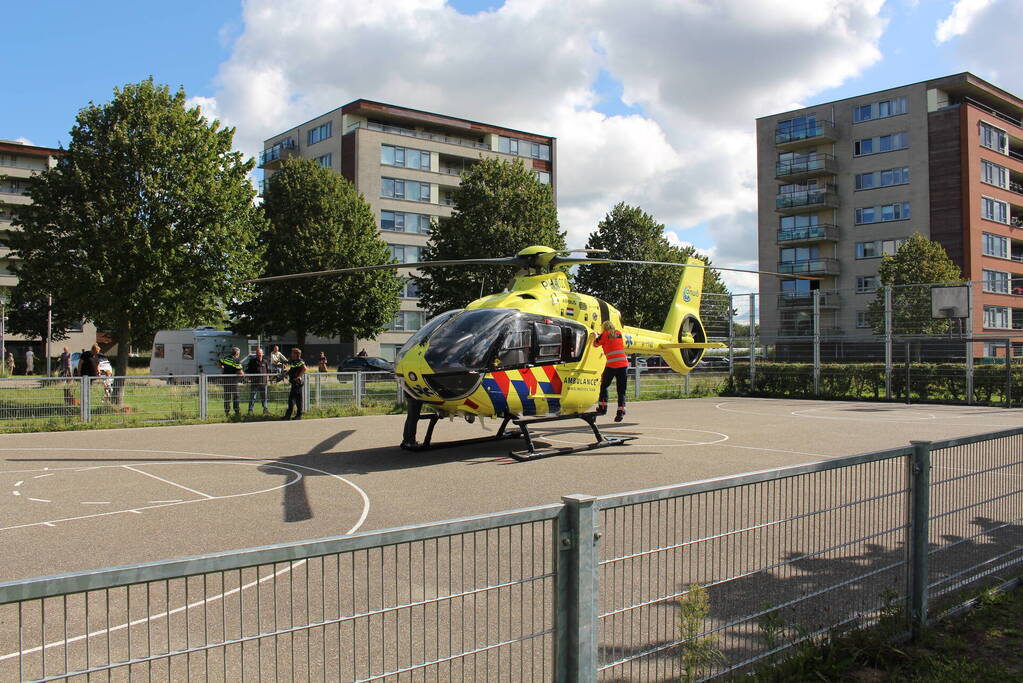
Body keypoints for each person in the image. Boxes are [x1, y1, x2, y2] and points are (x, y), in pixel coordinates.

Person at [593, 319, 629, 422]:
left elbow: (596, 344)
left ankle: (602, 408)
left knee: (604, 386)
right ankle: (620, 412)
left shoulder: (604, 334)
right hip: (623, 365)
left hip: (612, 365)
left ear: (604, 327)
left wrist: (596, 335)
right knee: (621, 391)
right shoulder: (618, 333)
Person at [218, 346, 244, 417]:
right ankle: (237, 412)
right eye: (239, 353)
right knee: (236, 396)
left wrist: (222, 367)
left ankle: (227, 412)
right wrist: (244, 376)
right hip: (233, 381)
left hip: (225, 380)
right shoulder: (236, 360)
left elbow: (219, 362)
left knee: (227, 396)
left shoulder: (226, 358)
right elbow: (240, 371)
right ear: (237, 353)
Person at [282, 347, 306, 420]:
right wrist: (286, 373)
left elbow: (304, 368)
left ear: (296, 354)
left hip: (297, 383)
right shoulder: (293, 361)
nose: (291, 354)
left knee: (294, 399)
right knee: (294, 399)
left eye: (292, 353)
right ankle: (293, 415)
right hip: (293, 382)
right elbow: (292, 369)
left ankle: (296, 415)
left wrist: (298, 376)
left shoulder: (300, 361)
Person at [245, 347, 270, 415]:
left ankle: (265, 410)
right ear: (256, 354)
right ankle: (250, 411)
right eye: (258, 353)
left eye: (260, 353)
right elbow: (248, 370)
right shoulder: (252, 361)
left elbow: (268, 371)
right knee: (253, 397)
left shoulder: (265, 361)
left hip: (264, 382)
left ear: (262, 354)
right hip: (255, 382)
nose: (259, 354)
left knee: (264, 397)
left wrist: (268, 378)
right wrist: (247, 377)